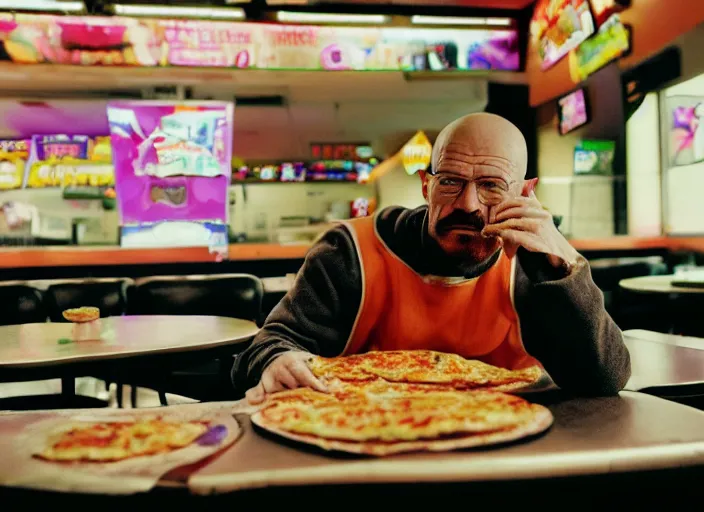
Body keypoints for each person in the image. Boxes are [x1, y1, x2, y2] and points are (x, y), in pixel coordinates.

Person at [232, 112, 631, 404]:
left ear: (525, 192)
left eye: (491, 186)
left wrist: (566, 271)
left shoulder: (537, 264)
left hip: (508, 451)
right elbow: (272, 342)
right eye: (451, 182)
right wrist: (277, 359)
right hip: (368, 445)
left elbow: (604, 380)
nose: (468, 204)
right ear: (426, 186)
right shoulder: (350, 250)